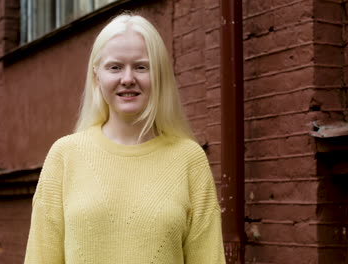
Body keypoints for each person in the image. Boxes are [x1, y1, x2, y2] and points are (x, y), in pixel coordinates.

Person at [24, 13, 226, 264]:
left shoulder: (189, 159)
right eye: (115, 67)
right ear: (97, 75)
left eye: (141, 66)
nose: (128, 79)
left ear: (159, 74)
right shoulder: (65, 155)